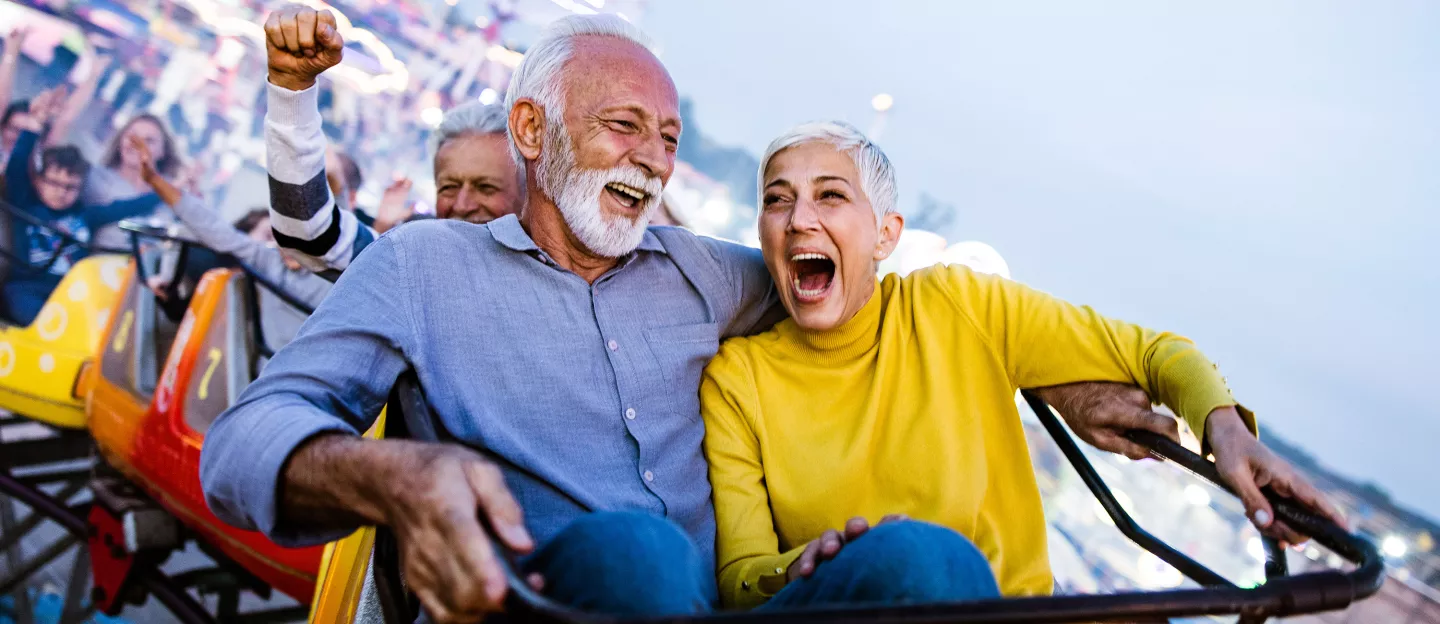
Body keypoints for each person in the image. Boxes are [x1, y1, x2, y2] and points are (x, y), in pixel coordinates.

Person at [202, 8, 1206, 622]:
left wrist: (1054, 375)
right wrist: (391, 474)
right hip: (543, 606)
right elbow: (246, 442)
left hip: (722, 609)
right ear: (530, 130)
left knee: (926, 557)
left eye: (669, 139)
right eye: (625, 126)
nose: (652, 157)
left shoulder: (706, 273)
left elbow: (868, 291)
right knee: (634, 549)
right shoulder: (427, 265)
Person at [700, 122, 1348, 609]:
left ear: (886, 236)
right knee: (915, 559)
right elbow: (740, 578)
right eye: (778, 200)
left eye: (830, 196)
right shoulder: (737, 380)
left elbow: (1155, 353)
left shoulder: (957, 304)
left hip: (1018, 612)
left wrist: (1227, 434)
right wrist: (805, 566)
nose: (798, 220)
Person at [132, 136, 330, 351]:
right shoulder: (268, 262)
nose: (290, 244)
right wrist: (154, 180)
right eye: (283, 232)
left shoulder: (335, 276)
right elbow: (212, 226)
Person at [1, 100, 158, 324]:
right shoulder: (26, 203)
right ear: (40, 181)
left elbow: (125, 208)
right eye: (54, 183)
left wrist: (165, 192)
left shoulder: (84, 217)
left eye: (70, 187)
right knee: (32, 312)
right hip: (27, 288)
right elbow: (16, 168)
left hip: (73, 291)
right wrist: (34, 125)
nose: (61, 192)